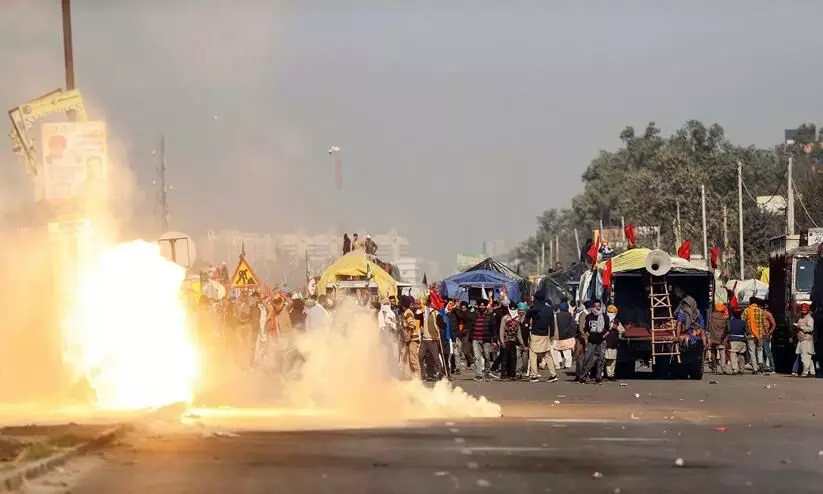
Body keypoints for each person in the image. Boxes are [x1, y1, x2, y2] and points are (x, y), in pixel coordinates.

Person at [524, 291, 558, 383]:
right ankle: (553, 374)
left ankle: (534, 375)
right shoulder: (549, 309)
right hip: (545, 334)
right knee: (547, 354)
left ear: (536, 298)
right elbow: (552, 323)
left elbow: (527, 316)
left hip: (535, 333)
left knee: (533, 354)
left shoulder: (534, 308)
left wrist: (527, 328)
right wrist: (551, 335)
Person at [579, 299, 609, 384]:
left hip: (601, 342)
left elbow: (608, 330)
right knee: (587, 358)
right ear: (593, 307)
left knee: (601, 359)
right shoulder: (589, 317)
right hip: (591, 341)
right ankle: (583, 376)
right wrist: (588, 336)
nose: (597, 308)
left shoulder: (605, 317)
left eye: (599, 306)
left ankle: (598, 377)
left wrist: (603, 337)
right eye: (596, 306)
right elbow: (586, 329)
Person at [418, 293, 445, 380]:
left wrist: (440, 323)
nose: (427, 305)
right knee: (420, 356)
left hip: (432, 339)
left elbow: (443, 325)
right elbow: (417, 316)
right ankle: (424, 374)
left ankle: (441, 373)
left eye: (428, 303)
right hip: (424, 339)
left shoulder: (436, 313)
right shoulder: (424, 312)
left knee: (436, 358)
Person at [742, 297, 769, 374]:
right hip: (759, 334)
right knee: (760, 349)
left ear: (750, 302)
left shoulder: (746, 311)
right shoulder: (761, 311)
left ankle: (755, 369)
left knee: (752, 351)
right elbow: (764, 323)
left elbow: (743, 321)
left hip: (750, 334)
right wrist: (767, 332)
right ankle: (760, 363)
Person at [498, 303, 526, 379]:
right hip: (506, 340)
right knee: (505, 358)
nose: (513, 310)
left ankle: (512, 374)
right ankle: (503, 374)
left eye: (514, 309)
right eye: (511, 309)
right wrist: (502, 341)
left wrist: (522, 343)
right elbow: (501, 329)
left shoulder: (517, 319)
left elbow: (518, 332)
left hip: (513, 340)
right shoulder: (505, 318)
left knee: (513, 358)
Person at [469, 299, 494, 381]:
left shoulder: (490, 316)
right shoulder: (474, 315)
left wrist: (494, 340)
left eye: (483, 305)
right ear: (478, 306)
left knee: (487, 357)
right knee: (477, 357)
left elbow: (493, 328)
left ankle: (487, 373)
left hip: (485, 339)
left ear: (486, 306)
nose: (482, 307)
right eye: (480, 305)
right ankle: (478, 374)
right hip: (475, 339)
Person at [400, 298, 422, 379]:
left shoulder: (408, 312)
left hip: (412, 339)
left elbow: (412, 325)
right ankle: (410, 375)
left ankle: (418, 376)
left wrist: (408, 335)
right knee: (407, 358)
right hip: (409, 339)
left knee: (413, 358)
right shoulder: (407, 312)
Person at [552, 301, 576, 369]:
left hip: (558, 336)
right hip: (568, 336)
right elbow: (573, 325)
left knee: (557, 350)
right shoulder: (569, 315)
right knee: (567, 351)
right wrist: (572, 333)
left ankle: (559, 362)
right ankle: (567, 365)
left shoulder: (557, 315)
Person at [604, 304, 625, 381]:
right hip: (610, 343)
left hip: (608, 343)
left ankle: (605, 374)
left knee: (606, 360)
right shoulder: (614, 320)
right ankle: (610, 375)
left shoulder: (605, 319)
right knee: (610, 361)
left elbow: (621, 330)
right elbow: (622, 330)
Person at [794, 303, 816, 377]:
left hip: (806, 339)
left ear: (807, 310)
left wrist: (801, 327)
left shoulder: (810, 319)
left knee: (805, 356)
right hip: (801, 339)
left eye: (804, 310)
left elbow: (810, 328)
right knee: (808, 357)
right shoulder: (801, 318)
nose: (803, 311)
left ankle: (805, 372)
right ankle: (812, 372)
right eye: (802, 310)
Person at [727, 307, 747, 375]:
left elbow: (728, 330)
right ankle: (741, 369)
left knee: (733, 354)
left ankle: (735, 369)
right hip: (742, 340)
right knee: (741, 355)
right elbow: (746, 331)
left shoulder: (730, 322)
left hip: (733, 339)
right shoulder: (743, 322)